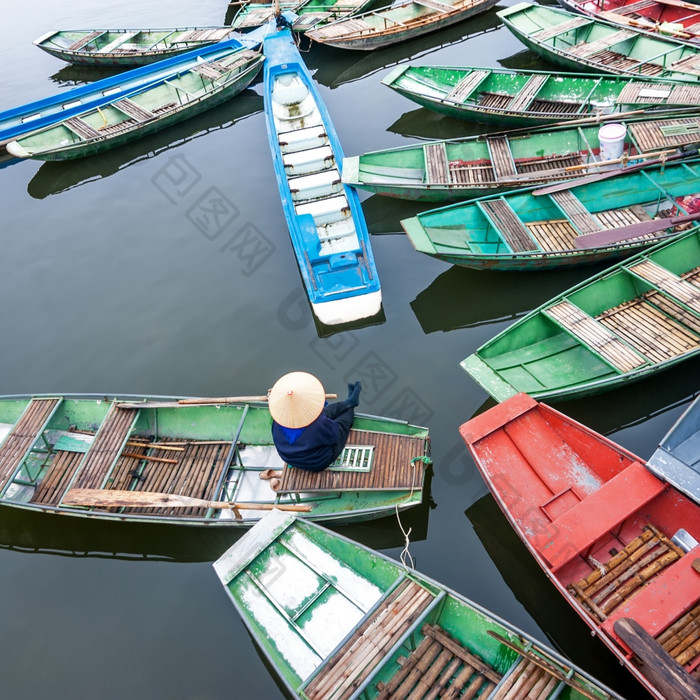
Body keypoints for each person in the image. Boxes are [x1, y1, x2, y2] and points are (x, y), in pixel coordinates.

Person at [267, 371, 361, 475]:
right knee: (343, 422)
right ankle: (351, 404)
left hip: (288, 457)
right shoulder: (318, 424)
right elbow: (334, 436)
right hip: (317, 462)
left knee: (325, 412)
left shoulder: (278, 419)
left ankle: (347, 402)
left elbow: (322, 415)